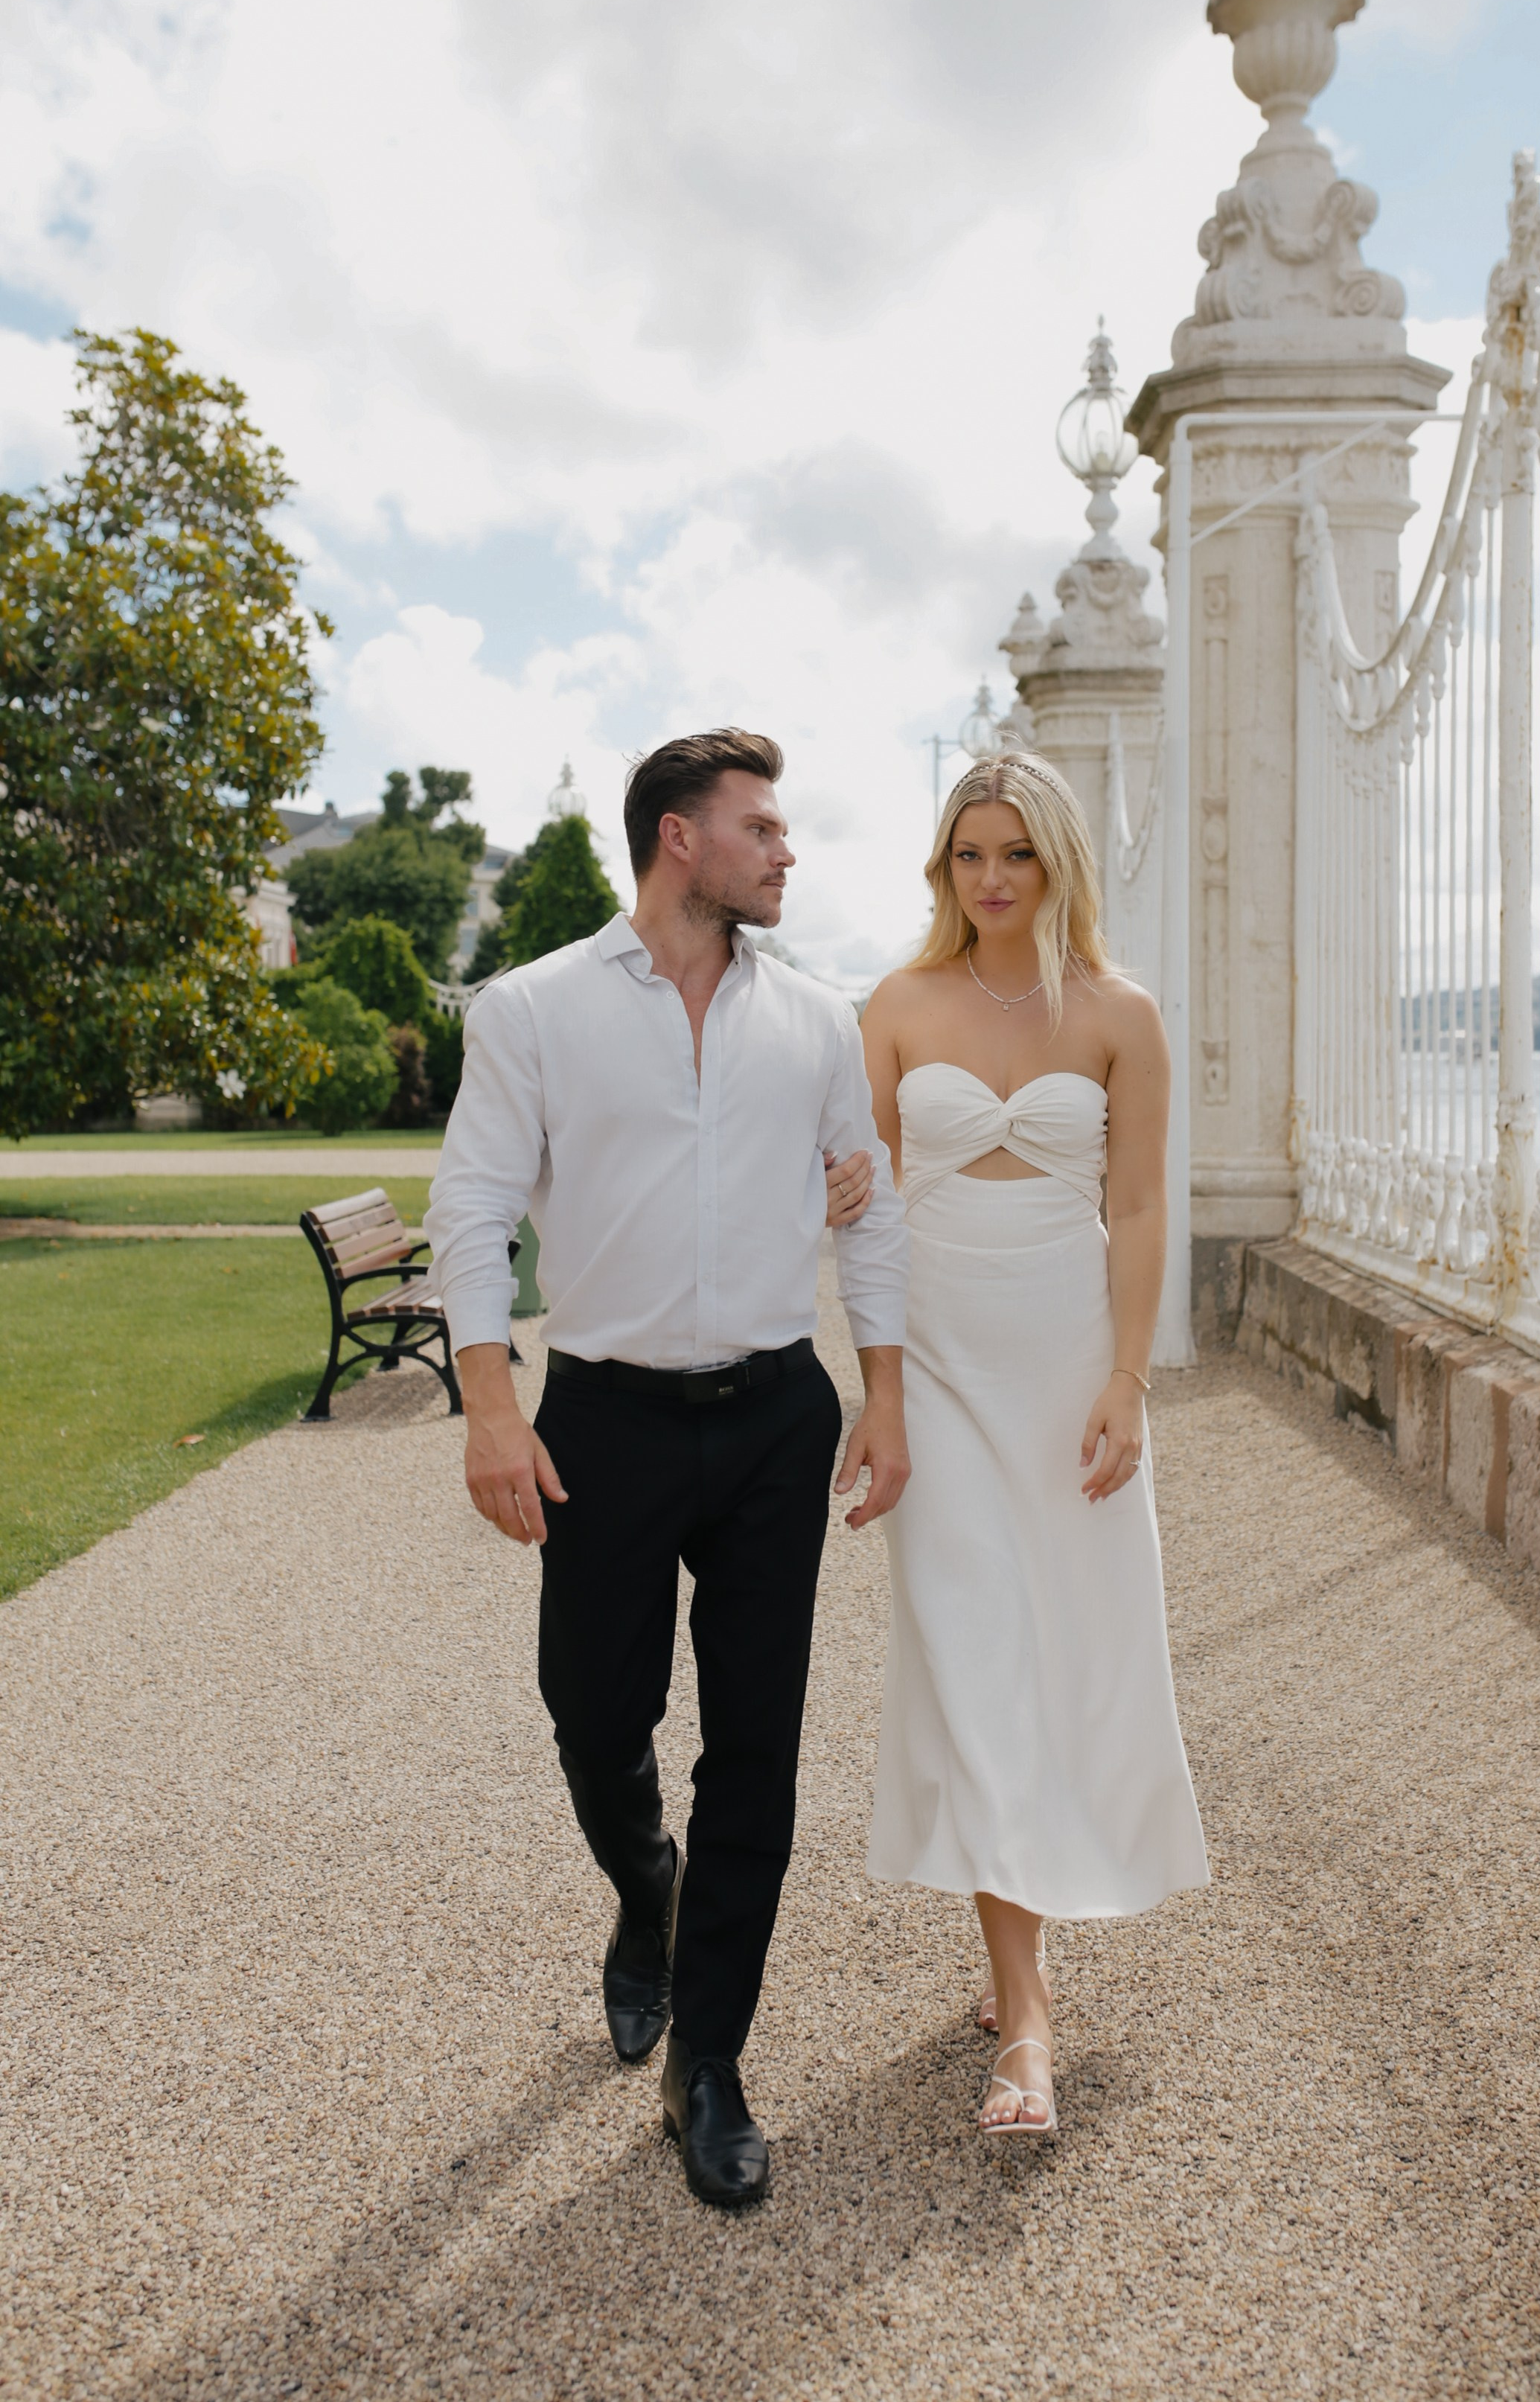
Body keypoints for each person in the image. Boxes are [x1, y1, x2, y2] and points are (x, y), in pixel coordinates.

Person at [425, 729, 910, 2208]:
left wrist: (879, 1391)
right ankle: (648, 1895)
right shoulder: (534, 1012)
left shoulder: (819, 1020)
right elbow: (472, 1209)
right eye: (758, 826)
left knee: (755, 1747)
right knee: (592, 1713)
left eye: (781, 829)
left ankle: (710, 2058)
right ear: (676, 838)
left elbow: (867, 1207)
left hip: (774, 1415)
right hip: (609, 1421)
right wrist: (489, 1407)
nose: (783, 849)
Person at [857, 751, 1208, 2138]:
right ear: (944, 870)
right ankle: (1027, 2013)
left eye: (1018, 855)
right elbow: (861, 1207)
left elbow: (1134, 1212)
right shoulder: (894, 1003)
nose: (992, 881)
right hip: (937, 1363)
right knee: (972, 1650)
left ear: (1061, 863)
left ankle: (1028, 1932)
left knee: (1068, 1652)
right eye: (968, 856)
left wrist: (1129, 1375)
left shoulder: (1120, 1013)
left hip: (1066, 1358)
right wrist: (876, 1387)